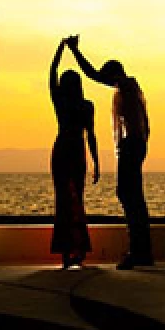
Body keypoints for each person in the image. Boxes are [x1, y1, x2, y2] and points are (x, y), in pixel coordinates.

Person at [67, 33, 153, 268]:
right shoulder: (130, 89)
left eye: (108, 78)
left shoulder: (127, 84)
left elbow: (93, 74)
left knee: (130, 195)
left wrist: (74, 51)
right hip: (134, 145)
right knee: (131, 195)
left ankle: (139, 251)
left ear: (115, 74)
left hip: (132, 146)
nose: (106, 83)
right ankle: (141, 250)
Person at [46, 37, 100, 270]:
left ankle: (67, 252)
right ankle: (77, 250)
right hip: (77, 150)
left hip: (63, 149)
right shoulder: (86, 105)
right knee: (76, 200)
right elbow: (92, 136)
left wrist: (61, 47)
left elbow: (51, 72)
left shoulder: (61, 103)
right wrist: (97, 163)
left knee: (65, 201)